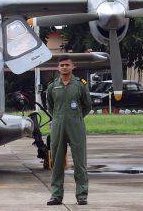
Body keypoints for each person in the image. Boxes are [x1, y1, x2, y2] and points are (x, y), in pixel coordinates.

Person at [46, 56, 92, 206]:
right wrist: (59, 118)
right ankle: (56, 195)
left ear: (73, 67)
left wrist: (77, 117)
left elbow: (87, 105)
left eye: (67, 65)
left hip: (76, 126)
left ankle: (82, 195)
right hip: (58, 126)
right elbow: (50, 106)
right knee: (57, 162)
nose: (64, 67)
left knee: (80, 162)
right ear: (58, 68)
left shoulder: (80, 85)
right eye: (62, 65)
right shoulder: (53, 86)